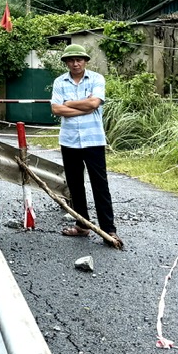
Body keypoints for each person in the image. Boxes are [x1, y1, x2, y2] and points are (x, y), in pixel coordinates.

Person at [52, 44, 117, 244]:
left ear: (85, 61)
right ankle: (82, 225)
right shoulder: (59, 82)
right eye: (71, 60)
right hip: (69, 141)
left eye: (79, 59)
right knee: (75, 185)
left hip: (93, 140)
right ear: (66, 62)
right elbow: (56, 109)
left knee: (100, 184)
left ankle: (109, 229)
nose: (75, 63)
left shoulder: (97, 79)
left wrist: (69, 103)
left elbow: (94, 104)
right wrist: (83, 107)